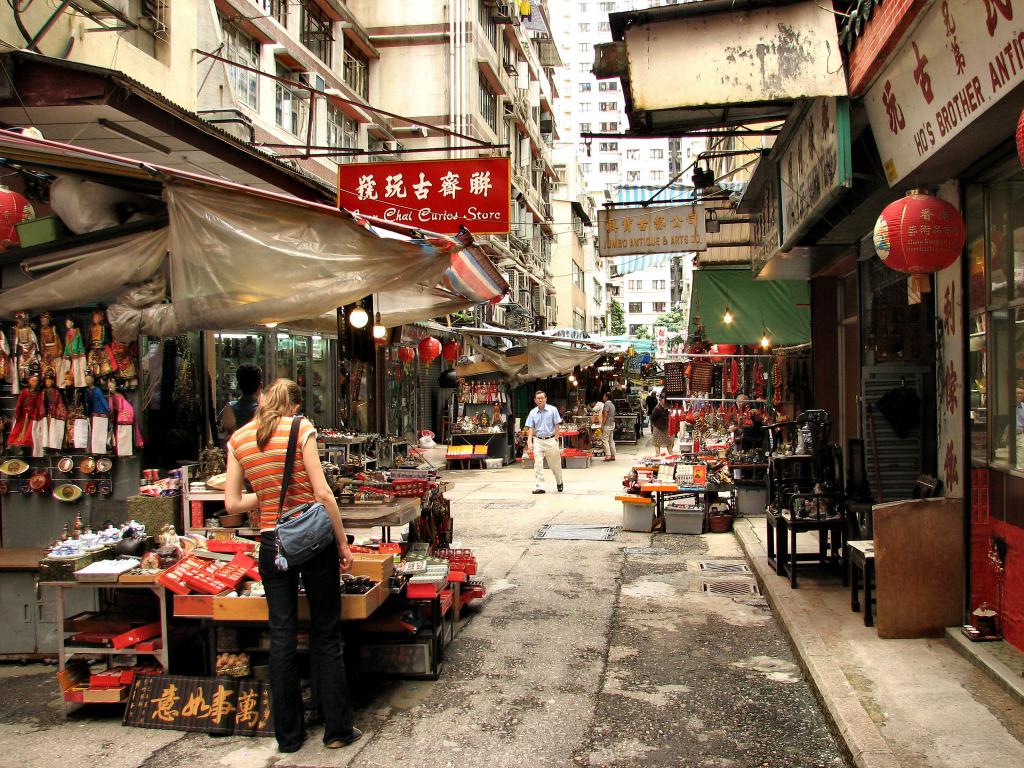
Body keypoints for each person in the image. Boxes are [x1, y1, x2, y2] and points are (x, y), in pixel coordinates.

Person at [225, 379, 360, 753]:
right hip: (312, 541)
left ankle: (288, 737)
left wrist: (266, 495)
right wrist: (342, 540)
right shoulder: (301, 428)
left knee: (281, 635)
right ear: (291, 404)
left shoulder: (238, 440)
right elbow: (322, 492)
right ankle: (337, 730)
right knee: (326, 632)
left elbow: (233, 503)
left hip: (271, 543)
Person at [525, 390, 564, 493]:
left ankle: (559, 481)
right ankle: (540, 486)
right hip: (538, 440)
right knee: (537, 464)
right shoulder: (532, 412)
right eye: (538, 398)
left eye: (542, 397)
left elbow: (557, 425)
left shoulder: (553, 410)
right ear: (535, 400)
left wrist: (556, 438)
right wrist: (530, 442)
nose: (540, 399)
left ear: (546, 399)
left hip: (551, 440)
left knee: (554, 464)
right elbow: (530, 428)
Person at [220, 363, 264, 438]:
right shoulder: (265, 411)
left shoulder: (229, 408)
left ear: (238, 386)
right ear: (260, 386)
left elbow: (231, 436)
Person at [601, 391, 617, 461]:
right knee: (611, 440)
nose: (603, 397)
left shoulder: (607, 404)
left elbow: (605, 415)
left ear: (607, 397)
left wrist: (602, 425)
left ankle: (608, 455)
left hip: (607, 425)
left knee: (605, 440)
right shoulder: (612, 405)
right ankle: (613, 455)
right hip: (612, 424)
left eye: (604, 396)